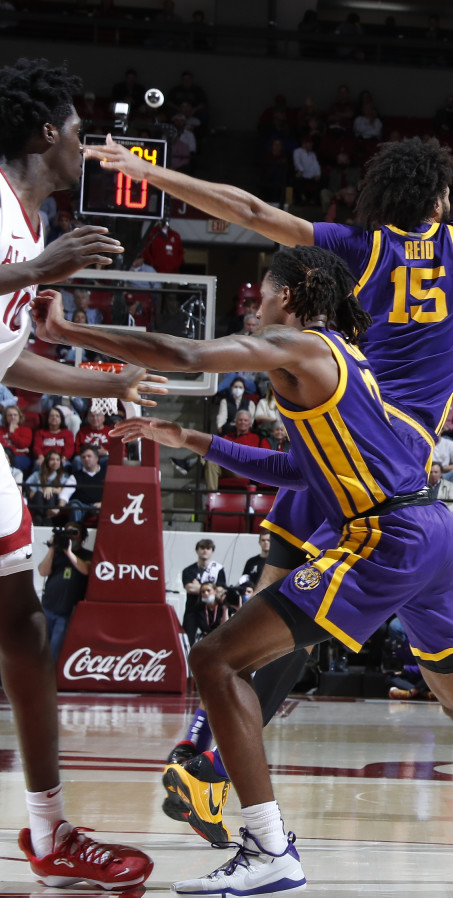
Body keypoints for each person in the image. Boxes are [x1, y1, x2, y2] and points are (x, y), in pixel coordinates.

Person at [41, 244, 453, 891]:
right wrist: (190, 438)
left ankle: (267, 850)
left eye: (260, 293)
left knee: (215, 658)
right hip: (433, 532)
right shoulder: (346, 362)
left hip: (386, 537)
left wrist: (68, 332)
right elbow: (296, 470)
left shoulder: (303, 347)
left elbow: (190, 357)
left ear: (294, 291)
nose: (255, 305)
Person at [0, 56, 172, 890]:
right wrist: (34, 274)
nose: (84, 145)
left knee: (22, 628)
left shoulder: (32, 228)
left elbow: (10, 361)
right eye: (76, 132)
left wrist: (108, 382)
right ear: (45, 134)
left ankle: (48, 831)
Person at [35, 521, 90, 663]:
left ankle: (50, 682)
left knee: (54, 652)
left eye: (74, 533)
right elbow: (42, 571)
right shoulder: (57, 554)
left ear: (82, 536)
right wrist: (52, 549)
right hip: (48, 608)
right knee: (39, 649)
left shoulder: (87, 555)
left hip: (66, 613)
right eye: (68, 533)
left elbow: (86, 570)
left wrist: (69, 552)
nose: (71, 537)